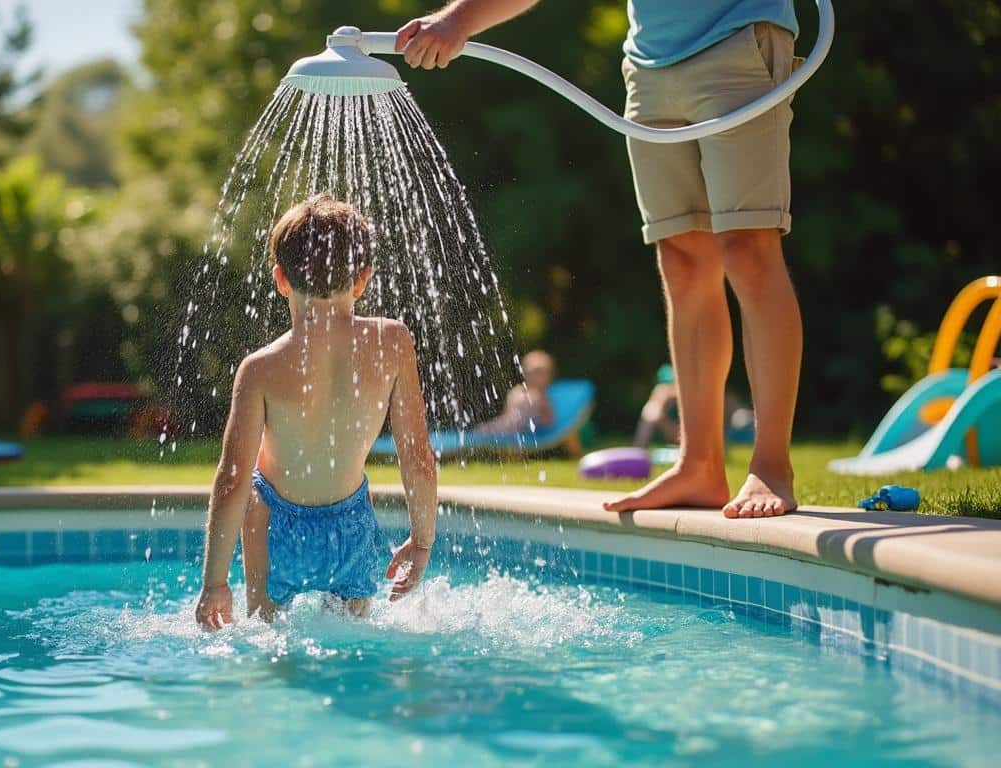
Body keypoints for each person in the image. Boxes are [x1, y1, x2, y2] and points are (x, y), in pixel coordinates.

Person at [396, 0, 803, 518]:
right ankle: (700, 464)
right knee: (682, 258)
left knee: (748, 247)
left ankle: (771, 467)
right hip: (651, 63)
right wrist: (458, 21)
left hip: (738, 39)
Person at [195, 195, 439, 628]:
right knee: (350, 646)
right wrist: (421, 542)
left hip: (273, 522)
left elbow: (232, 477)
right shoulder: (393, 343)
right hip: (351, 524)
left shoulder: (261, 369)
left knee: (271, 645)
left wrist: (215, 583)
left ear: (280, 279)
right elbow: (417, 456)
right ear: (362, 279)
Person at [474, 349, 556, 436]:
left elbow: (548, 421)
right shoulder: (517, 391)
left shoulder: (540, 397)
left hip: (512, 431)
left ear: (549, 376)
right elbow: (506, 414)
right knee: (481, 431)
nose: (537, 377)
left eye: (541, 373)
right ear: (524, 373)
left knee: (482, 432)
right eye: (530, 372)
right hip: (505, 427)